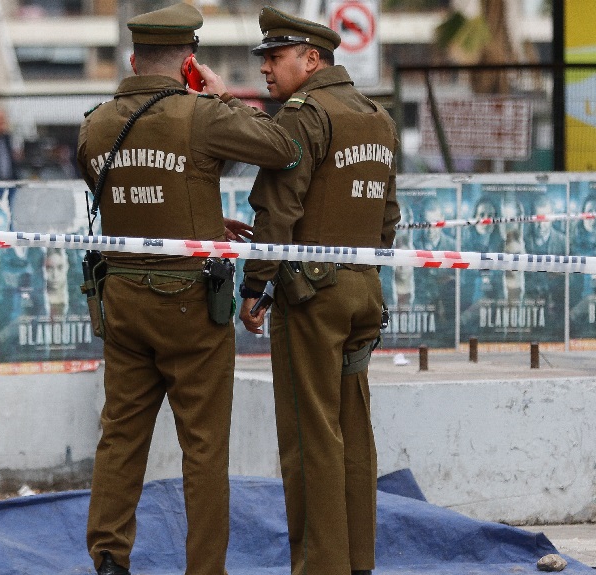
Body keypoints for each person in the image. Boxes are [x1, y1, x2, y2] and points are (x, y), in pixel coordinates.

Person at [76, 3, 300, 575]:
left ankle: (108, 558)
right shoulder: (200, 113)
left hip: (122, 302)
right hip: (189, 308)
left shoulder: (95, 124)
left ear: (132, 59)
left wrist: (195, 221)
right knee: (203, 447)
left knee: (120, 437)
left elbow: (129, 196)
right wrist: (223, 95)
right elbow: (281, 149)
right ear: (189, 62)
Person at [235, 7, 399, 575]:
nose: (266, 71)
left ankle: (319, 566)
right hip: (364, 292)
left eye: (275, 58)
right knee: (356, 432)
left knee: (311, 438)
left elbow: (278, 208)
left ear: (312, 59)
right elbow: (387, 217)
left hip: (312, 297)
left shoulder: (304, 115)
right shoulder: (376, 116)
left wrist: (255, 285)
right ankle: (358, 562)